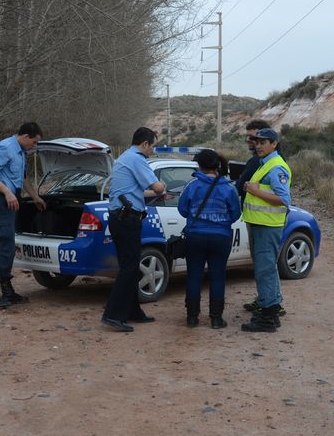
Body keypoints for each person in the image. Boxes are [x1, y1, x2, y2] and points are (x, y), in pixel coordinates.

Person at [101, 127, 166, 332]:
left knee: (129, 266)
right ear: (144, 144)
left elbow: (133, 190)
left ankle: (132, 311)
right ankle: (113, 315)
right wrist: (162, 186)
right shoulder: (137, 159)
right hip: (127, 218)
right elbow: (157, 187)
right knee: (129, 268)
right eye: (153, 146)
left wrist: (153, 194)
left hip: (121, 217)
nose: (153, 150)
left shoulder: (125, 157)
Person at [0, 122, 46, 307]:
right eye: (34, 142)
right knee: (4, 245)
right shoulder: (6, 147)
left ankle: (7, 290)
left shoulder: (21, 152)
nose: (34, 146)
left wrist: (34, 196)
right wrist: (7, 192)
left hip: (11, 201)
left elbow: (21, 178)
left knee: (8, 246)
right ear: (25, 136)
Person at [178, 150, 241, 329]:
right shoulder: (229, 188)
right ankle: (216, 319)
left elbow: (182, 210)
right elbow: (236, 213)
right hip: (221, 237)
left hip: (195, 236)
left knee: (194, 275)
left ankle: (192, 317)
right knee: (218, 276)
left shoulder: (192, 185)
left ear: (199, 165)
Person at [240, 128, 292, 332]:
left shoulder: (276, 167)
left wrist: (255, 191)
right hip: (261, 224)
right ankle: (271, 309)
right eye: (257, 142)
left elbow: (283, 199)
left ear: (274, 144)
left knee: (265, 270)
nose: (258, 146)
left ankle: (268, 318)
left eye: (263, 142)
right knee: (265, 268)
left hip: (268, 226)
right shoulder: (265, 164)